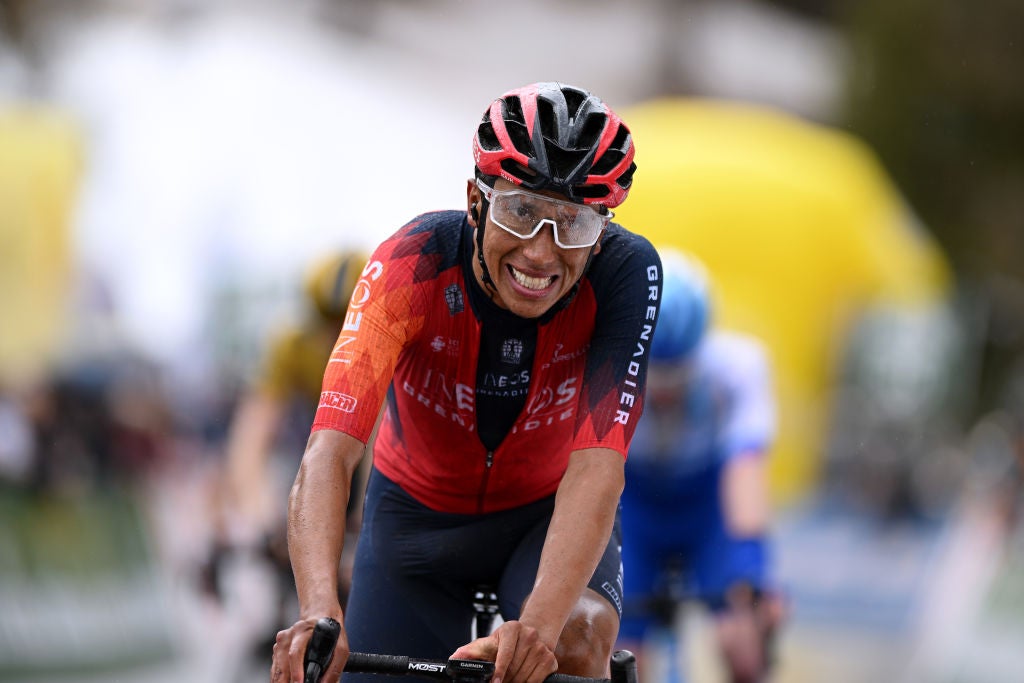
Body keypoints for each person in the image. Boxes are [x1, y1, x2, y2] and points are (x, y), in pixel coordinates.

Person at [270, 82, 661, 683]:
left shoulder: (627, 274)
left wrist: (538, 630)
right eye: (521, 211)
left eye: (575, 224)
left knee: (578, 642)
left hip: (545, 515)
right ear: (476, 202)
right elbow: (330, 450)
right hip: (416, 522)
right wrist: (318, 611)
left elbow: (598, 467)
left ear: (601, 230)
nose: (540, 252)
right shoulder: (413, 260)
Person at [616, 250, 784, 683]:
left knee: (741, 643)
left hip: (709, 507)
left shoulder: (739, 366)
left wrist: (752, 569)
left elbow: (745, 471)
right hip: (633, 505)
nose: (667, 391)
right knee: (618, 655)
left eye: (679, 373)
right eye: (658, 374)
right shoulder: (608, 367)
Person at [207, 250, 368, 651]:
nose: (334, 338)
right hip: (317, 450)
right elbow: (252, 434)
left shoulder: (386, 341)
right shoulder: (291, 345)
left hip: (373, 452)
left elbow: (384, 439)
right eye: (325, 326)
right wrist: (256, 514)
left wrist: (367, 518)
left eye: (344, 325)